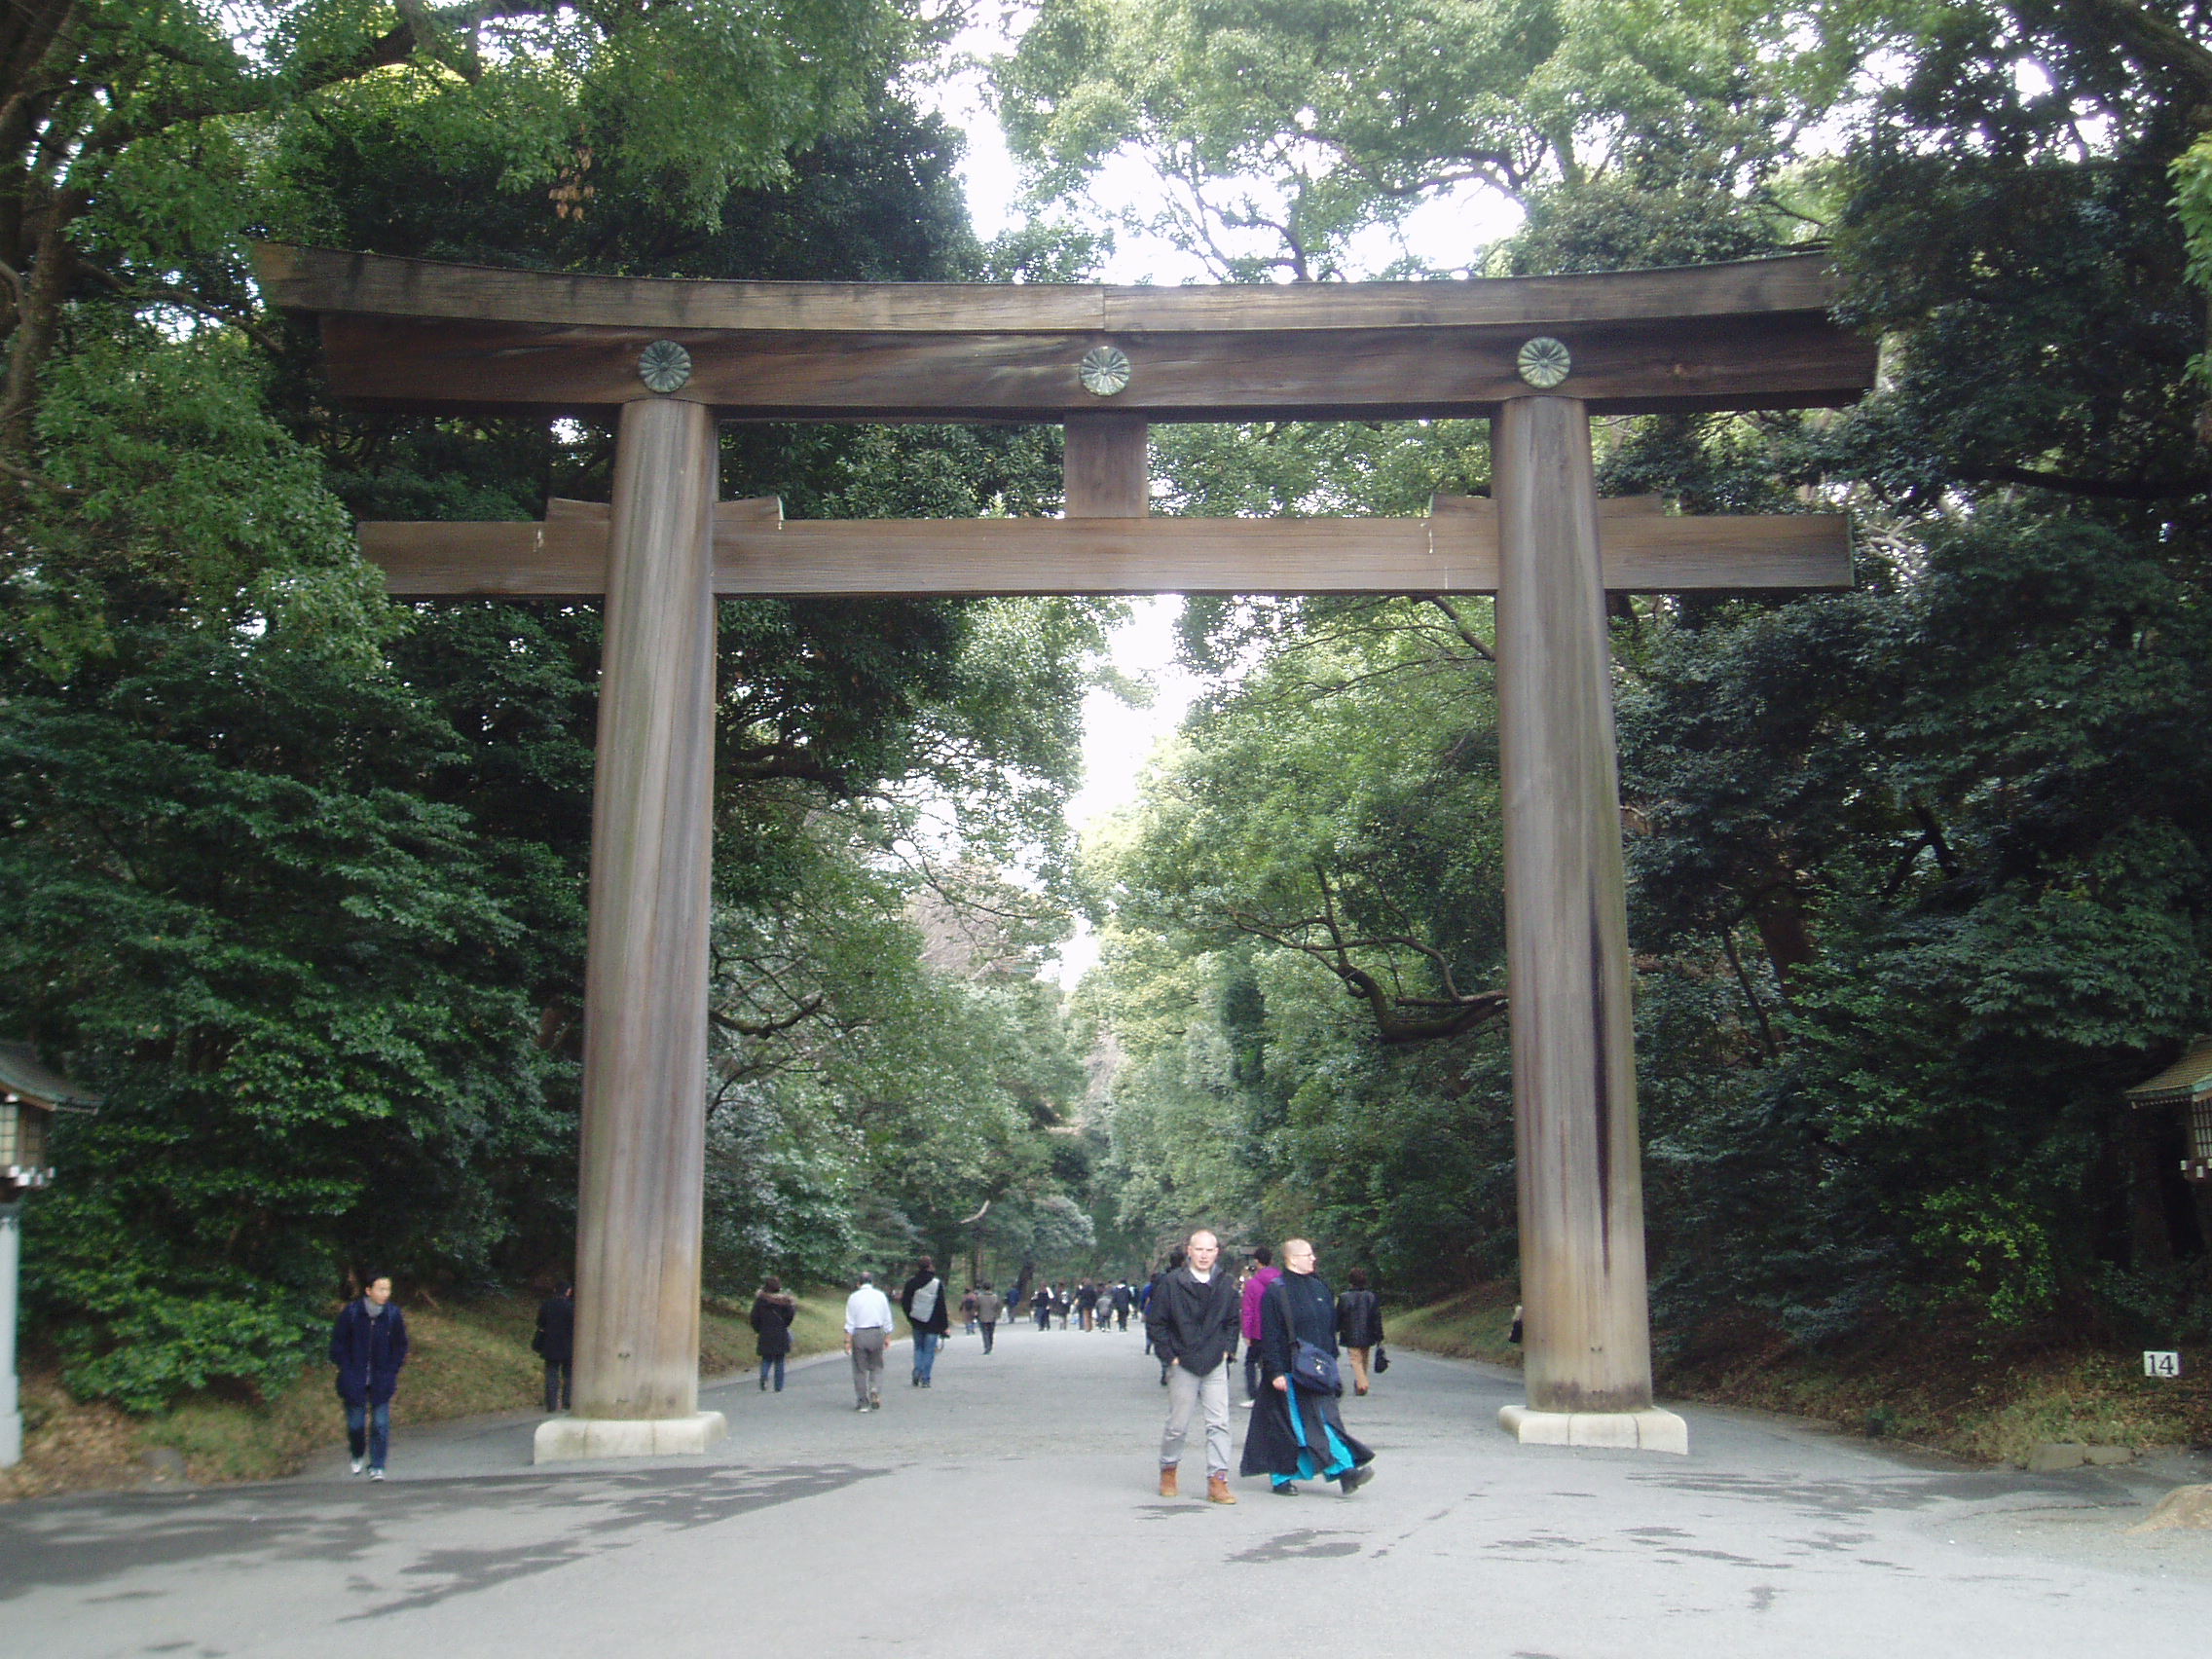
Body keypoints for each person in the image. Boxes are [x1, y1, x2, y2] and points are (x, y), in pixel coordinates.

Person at [1241, 1238, 1375, 1496]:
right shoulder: (1276, 1291)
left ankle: (1339, 1472)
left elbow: (1328, 1329)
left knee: (1321, 1421)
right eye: (1308, 1255)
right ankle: (1337, 1471)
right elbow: (1271, 1335)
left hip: (1318, 1370)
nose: (1313, 1259)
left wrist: (1331, 1365)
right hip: (1289, 1371)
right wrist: (1276, 1371)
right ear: (1292, 1259)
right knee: (1298, 1424)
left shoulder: (1321, 1288)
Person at [1145, 1229, 1242, 1504]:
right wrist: (1169, 1356)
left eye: (1210, 1250)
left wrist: (1227, 1351)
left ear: (1217, 1253)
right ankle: (1168, 1469)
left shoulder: (1226, 1283)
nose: (1204, 1255)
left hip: (1214, 1362)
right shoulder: (1172, 1283)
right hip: (1183, 1361)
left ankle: (1218, 1480)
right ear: (1189, 1250)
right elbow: (1156, 1323)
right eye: (1199, 1249)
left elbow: (1233, 1321)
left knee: (1219, 1423)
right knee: (1177, 1425)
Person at [329, 1272, 410, 1480]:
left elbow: (401, 1345)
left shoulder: (392, 1315)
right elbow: (338, 1343)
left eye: (388, 1289)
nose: (385, 1294)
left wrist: (392, 1368)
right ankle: (357, 1453)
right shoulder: (352, 1313)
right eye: (381, 1289)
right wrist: (345, 1367)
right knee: (356, 1425)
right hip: (354, 1377)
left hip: (381, 1377)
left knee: (380, 1424)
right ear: (368, 1290)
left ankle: (378, 1466)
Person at [844, 1271, 896, 1411]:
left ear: (858, 1283)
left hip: (859, 1333)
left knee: (859, 1369)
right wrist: (888, 1335)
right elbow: (887, 1317)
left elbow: (850, 1321)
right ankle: (874, 1389)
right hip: (876, 1333)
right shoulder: (880, 1296)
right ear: (872, 1283)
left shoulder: (853, 1297)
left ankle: (863, 1402)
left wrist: (848, 1341)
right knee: (877, 1366)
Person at [1238, 1244, 1280, 1407]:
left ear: (1257, 1261)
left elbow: (1247, 1310)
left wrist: (1246, 1333)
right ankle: (1272, 1395)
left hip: (1258, 1330)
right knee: (1272, 1362)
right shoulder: (1281, 1280)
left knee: (1251, 1362)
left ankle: (1254, 1395)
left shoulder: (1253, 1283)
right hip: (1277, 1329)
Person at [901, 1256, 951, 1386]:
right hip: (933, 1323)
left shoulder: (911, 1282)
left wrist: (910, 1317)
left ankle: (917, 1371)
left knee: (918, 1348)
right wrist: (944, 1326)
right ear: (930, 1266)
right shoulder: (936, 1284)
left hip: (917, 1321)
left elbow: (905, 1302)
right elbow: (941, 1305)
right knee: (929, 1351)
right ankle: (926, 1378)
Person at [1336, 1268, 1384, 1396]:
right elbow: (1376, 1317)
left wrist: (1335, 1329)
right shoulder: (1371, 1296)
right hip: (1368, 1333)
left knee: (1355, 1360)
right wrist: (1379, 1336)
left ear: (1350, 1281)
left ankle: (1362, 1383)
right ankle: (1360, 1384)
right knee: (1364, 1359)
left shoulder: (1344, 1297)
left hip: (1350, 1333)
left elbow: (1339, 1316)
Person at [532, 1280, 574, 1413]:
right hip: (568, 1345)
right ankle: (567, 1402)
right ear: (568, 1291)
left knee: (551, 1373)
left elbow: (540, 1323)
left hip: (550, 1344)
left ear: (555, 1290)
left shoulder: (547, 1305)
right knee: (569, 1374)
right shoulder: (571, 1307)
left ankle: (551, 1404)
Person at [751, 1275, 797, 1392]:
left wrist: (758, 1329)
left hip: (765, 1332)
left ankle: (764, 1376)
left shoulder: (760, 1301)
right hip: (780, 1332)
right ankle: (778, 1386)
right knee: (780, 1360)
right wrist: (784, 1325)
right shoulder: (785, 1302)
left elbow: (754, 1317)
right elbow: (790, 1316)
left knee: (766, 1358)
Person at [974, 1281, 1005, 1353]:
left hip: (982, 1316)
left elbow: (976, 1306)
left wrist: (976, 1313)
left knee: (985, 1333)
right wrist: (997, 1314)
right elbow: (999, 1306)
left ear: (983, 1288)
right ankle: (990, 1345)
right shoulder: (995, 1297)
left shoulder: (979, 1297)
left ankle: (987, 1347)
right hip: (992, 1317)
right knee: (991, 1332)